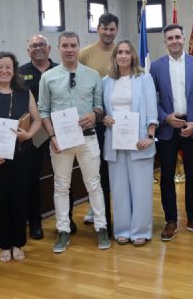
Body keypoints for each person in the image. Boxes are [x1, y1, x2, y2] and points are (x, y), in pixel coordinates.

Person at [38, 31, 110, 252]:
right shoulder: (47, 77)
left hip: (88, 138)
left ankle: (101, 227)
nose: (69, 49)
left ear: (79, 47)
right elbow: (43, 111)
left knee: (94, 184)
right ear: (58, 48)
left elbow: (99, 106)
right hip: (61, 141)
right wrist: (51, 136)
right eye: (65, 45)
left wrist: (95, 114)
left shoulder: (93, 75)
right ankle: (63, 230)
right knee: (61, 186)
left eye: (73, 45)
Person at [0, 52, 42, 262]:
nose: (4, 71)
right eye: (0, 67)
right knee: (0, 200)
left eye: (8, 67)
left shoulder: (24, 93)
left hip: (22, 155)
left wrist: (28, 135)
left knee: (20, 199)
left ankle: (18, 243)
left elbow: (37, 120)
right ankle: (4, 244)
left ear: (14, 71)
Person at [150, 24, 193, 241]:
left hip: (191, 127)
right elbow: (151, 99)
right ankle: (171, 221)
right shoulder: (156, 67)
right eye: (170, 38)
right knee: (167, 177)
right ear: (165, 41)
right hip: (168, 128)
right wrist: (165, 117)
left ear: (184, 38)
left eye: (177, 37)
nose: (174, 41)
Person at [102, 40, 157, 246]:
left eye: (127, 52)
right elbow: (102, 109)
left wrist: (149, 136)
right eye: (119, 52)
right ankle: (123, 229)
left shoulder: (144, 78)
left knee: (141, 188)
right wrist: (104, 118)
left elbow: (152, 109)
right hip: (115, 141)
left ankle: (140, 230)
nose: (123, 56)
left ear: (133, 55)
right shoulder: (106, 81)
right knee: (118, 189)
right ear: (115, 56)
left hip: (139, 141)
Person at [18, 34, 69, 240]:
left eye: (41, 45)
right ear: (28, 50)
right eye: (34, 45)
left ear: (49, 48)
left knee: (63, 177)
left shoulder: (62, 70)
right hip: (34, 133)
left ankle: (66, 220)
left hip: (59, 130)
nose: (38, 48)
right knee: (32, 179)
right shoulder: (20, 73)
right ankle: (35, 223)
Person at [79, 13, 119, 231]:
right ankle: (95, 208)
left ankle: (116, 208)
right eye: (104, 28)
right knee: (95, 167)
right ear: (98, 29)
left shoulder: (121, 52)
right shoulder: (85, 54)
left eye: (112, 29)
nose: (108, 32)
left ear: (116, 30)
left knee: (114, 166)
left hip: (118, 120)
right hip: (93, 120)